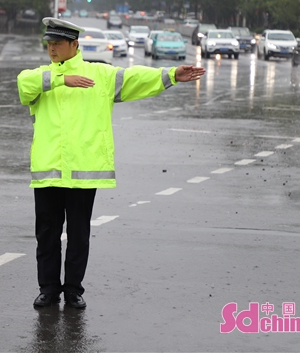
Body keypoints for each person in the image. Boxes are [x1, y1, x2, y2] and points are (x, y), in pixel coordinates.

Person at [17, 17, 206, 309]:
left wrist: (170, 74)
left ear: (74, 45)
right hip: (48, 172)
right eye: (49, 44)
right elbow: (22, 84)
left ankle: (73, 290)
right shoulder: (42, 77)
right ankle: (49, 289)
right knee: (47, 235)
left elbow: (135, 78)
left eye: (57, 44)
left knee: (79, 235)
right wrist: (61, 79)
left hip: (83, 172)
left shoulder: (100, 76)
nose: (52, 49)